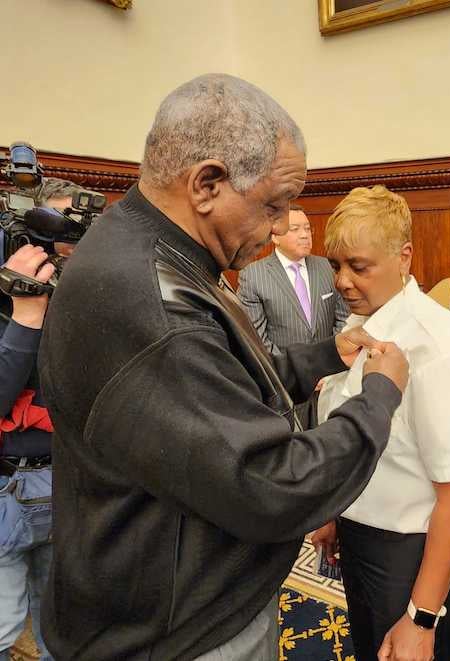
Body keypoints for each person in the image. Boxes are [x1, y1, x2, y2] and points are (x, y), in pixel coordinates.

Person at [38, 74, 409, 660]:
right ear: (207, 183)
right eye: (272, 206)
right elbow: (274, 486)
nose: (277, 229)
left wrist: (322, 356)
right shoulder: (152, 304)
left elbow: (217, 379)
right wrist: (379, 397)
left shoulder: (141, 242)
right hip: (179, 632)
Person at [308, 185, 450, 661]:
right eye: (336, 265)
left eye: (359, 266)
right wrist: (335, 511)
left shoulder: (440, 345)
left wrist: (422, 617)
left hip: (414, 552)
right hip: (362, 535)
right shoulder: (362, 332)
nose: (344, 281)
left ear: (404, 257)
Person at [0, 177, 86, 661]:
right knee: (3, 628)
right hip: (5, 492)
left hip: (67, 487)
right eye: (56, 229)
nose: (67, 245)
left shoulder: (86, 292)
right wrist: (24, 315)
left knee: (62, 632)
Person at [237, 203, 349, 355]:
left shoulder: (328, 267)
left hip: (330, 370)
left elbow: (344, 318)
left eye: (308, 229)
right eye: (295, 229)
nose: (304, 235)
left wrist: (330, 358)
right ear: (275, 236)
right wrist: (290, 369)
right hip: (283, 373)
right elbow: (256, 338)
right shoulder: (253, 276)